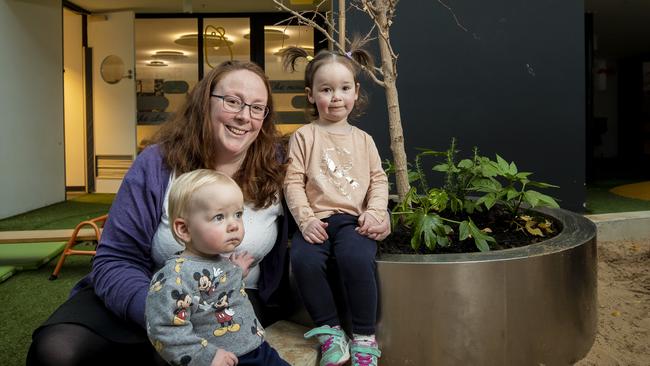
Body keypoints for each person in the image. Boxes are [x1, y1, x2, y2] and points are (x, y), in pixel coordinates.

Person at [27, 59, 390, 366]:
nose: (244, 116)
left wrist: (378, 213)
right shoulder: (158, 164)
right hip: (147, 291)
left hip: (232, 298)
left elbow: (342, 185)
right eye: (232, 101)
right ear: (206, 102)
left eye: (256, 107)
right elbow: (114, 259)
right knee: (56, 350)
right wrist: (164, 313)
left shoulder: (280, 163)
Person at [282, 47, 388, 366]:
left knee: (356, 259)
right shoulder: (303, 137)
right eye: (326, 89)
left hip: (353, 221)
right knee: (303, 261)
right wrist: (305, 220)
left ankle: (365, 337)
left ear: (355, 92)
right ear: (311, 95)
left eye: (344, 88)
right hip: (317, 220)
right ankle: (330, 331)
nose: (336, 97)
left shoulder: (364, 140)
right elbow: (292, 182)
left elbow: (379, 180)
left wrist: (376, 212)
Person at [145, 169, 289, 366]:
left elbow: (217, 287)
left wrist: (237, 270)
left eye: (238, 214)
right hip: (224, 359)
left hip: (257, 347)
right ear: (184, 229)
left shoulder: (220, 260)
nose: (234, 225)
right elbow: (163, 329)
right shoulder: (174, 277)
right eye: (219, 217)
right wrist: (204, 356)